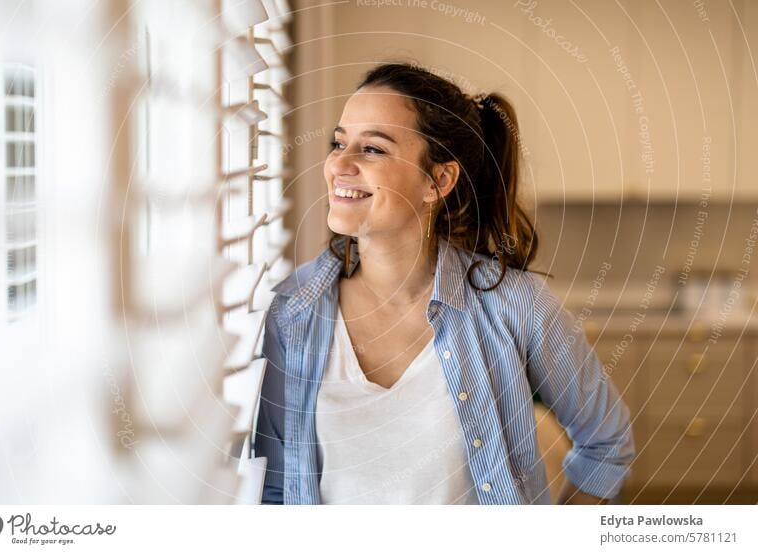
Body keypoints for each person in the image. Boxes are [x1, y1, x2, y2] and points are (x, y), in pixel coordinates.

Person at [254, 62, 635, 505]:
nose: (339, 162)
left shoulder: (514, 305)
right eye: (339, 142)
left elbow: (606, 444)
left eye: (372, 149)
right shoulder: (292, 311)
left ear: (438, 180)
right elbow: (277, 488)